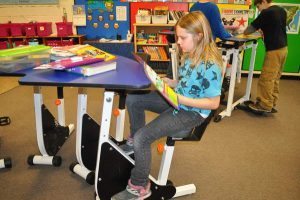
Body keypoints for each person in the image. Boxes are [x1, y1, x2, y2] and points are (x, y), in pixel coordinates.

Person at [112, 11, 223, 199]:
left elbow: (214, 103)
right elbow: (187, 82)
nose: (178, 42)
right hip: (177, 100)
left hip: (191, 113)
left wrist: (182, 100)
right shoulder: (190, 53)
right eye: (177, 37)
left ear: (199, 36)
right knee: (133, 99)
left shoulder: (210, 64)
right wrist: (169, 82)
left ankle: (139, 187)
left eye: (182, 38)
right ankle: (134, 145)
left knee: (143, 138)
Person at [243, 0, 288, 113]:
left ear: (263, 2)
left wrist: (245, 31)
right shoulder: (281, 10)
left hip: (274, 50)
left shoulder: (267, 12)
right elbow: (274, 27)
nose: (258, 9)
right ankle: (271, 102)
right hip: (283, 49)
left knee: (266, 78)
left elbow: (249, 30)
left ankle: (264, 105)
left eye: (258, 6)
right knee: (275, 78)